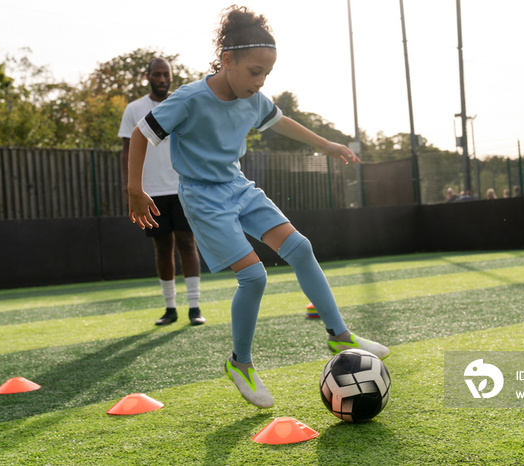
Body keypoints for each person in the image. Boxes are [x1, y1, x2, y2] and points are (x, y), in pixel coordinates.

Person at [126, 5, 389, 408]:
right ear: (227, 60)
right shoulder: (190, 99)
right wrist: (135, 189)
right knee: (254, 277)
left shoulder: (253, 98)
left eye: (267, 73)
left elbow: (281, 121)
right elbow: (143, 134)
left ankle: (339, 334)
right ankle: (240, 363)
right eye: (255, 71)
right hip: (202, 196)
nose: (261, 81)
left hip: (237, 185)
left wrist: (328, 145)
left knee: (300, 247)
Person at [119, 58, 205, 327]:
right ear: (148, 77)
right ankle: (170, 309)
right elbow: (126, 149)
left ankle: (194, 308)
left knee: (187, 243)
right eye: (156, 74)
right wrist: (132, 188)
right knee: (162, 247)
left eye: (165, 74)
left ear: (171, 76)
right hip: (151, 192)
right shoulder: (134, 109)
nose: (161, 79)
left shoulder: (182, 103)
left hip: (183, 187)